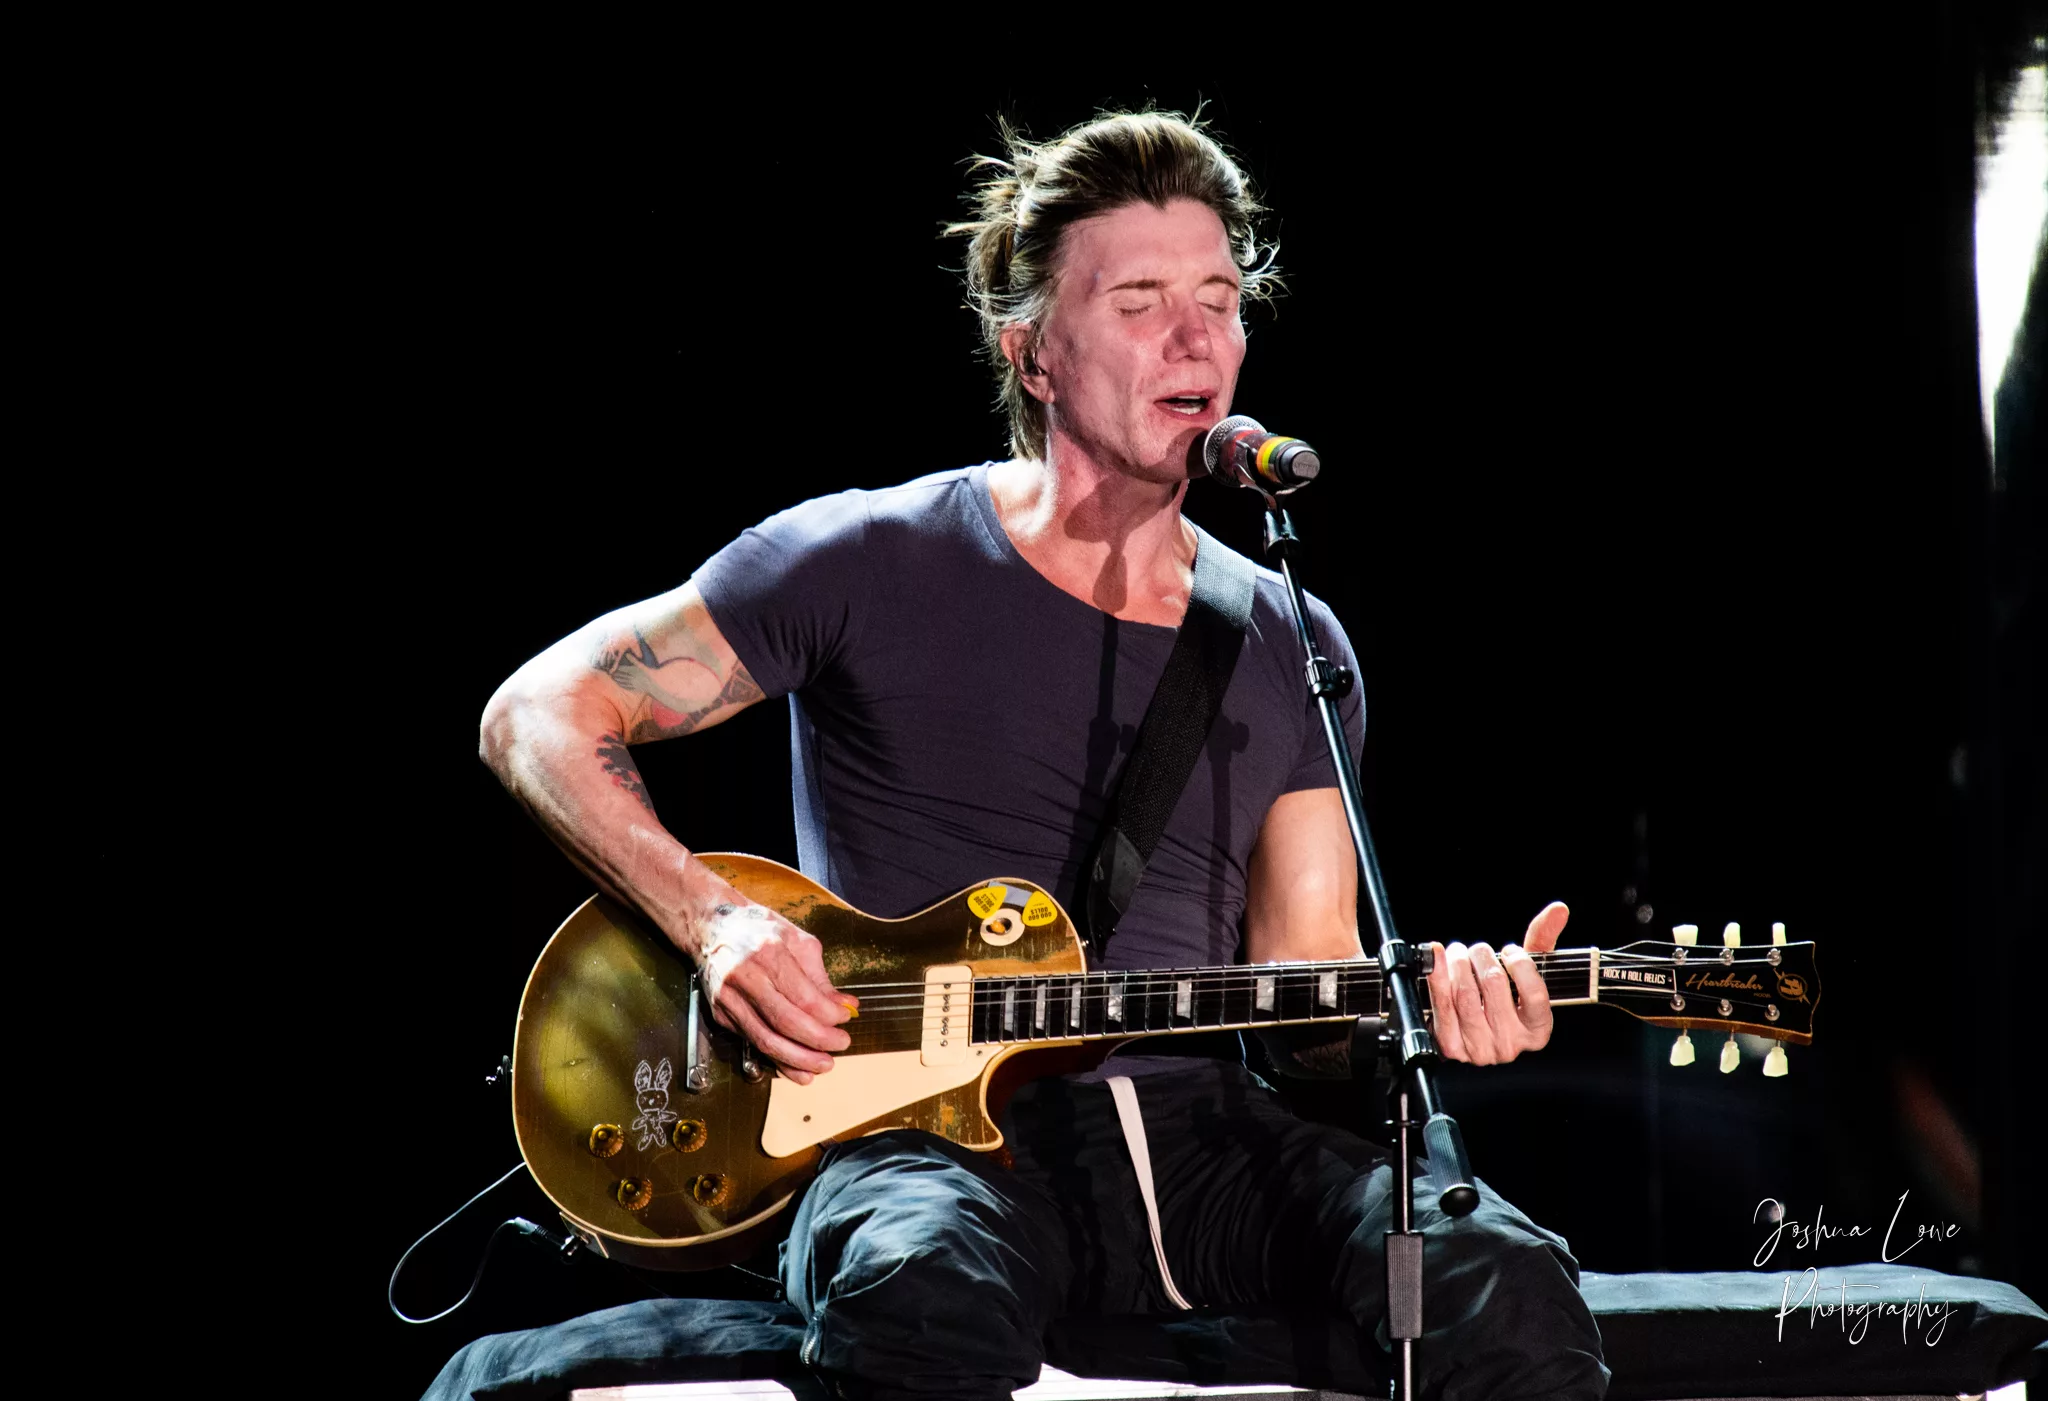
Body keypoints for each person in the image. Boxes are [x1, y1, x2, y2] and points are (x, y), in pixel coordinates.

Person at [468, 111, 1608, 1401]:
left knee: (1500, 1283)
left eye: (1218, 300)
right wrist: (715, 921)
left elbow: (1306, 977)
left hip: (1201, 1141)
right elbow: (537, 715)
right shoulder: (867, 558)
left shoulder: (1293, 634)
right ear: (1034, 353)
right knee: (924, 1290)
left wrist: (1434, 1010)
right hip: (923, 1141)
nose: (1196, 339)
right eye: (1140, 302)